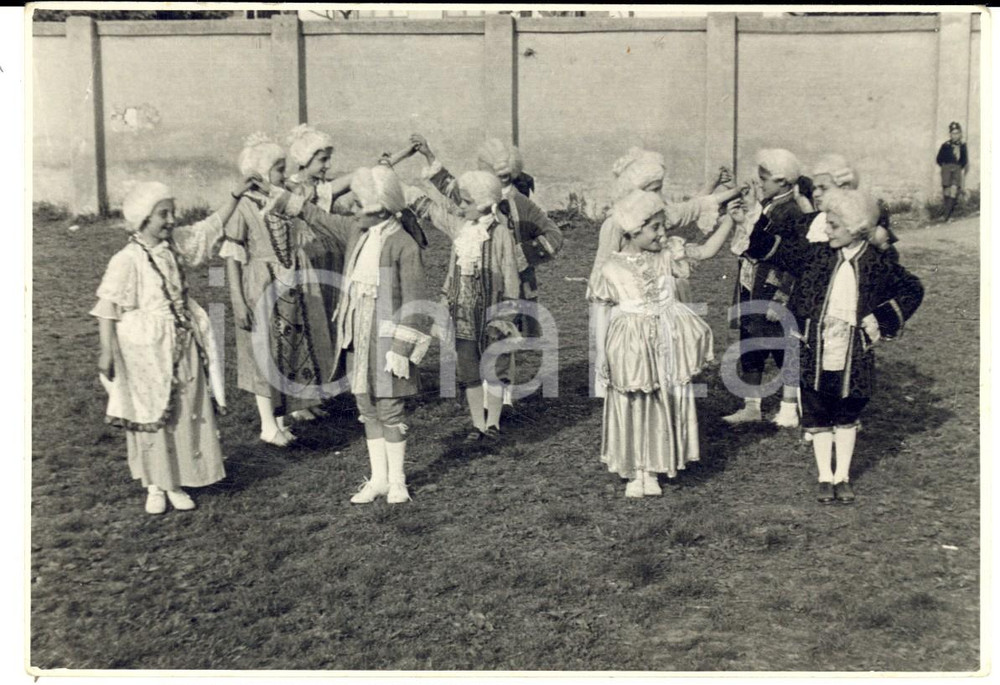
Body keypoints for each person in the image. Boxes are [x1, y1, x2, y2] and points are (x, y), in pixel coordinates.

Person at [258, 164, 433, 504]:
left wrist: (401, 349)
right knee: (366, 407)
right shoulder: (358, 232)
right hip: (356, 337)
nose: (353, 210)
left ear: (380, 209)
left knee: (390, 408)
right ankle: (378, 479)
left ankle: (397, 480)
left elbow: (415, 303)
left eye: (359, 205)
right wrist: (277, 195)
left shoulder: (404, 245)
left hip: (387, 343)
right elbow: (317, 216)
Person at [743, 189, 923, 504]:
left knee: (847, 409)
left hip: (854, 351)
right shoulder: (815, 254)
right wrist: (753, 215)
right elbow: (767, 247)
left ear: (856, 227)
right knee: (817, 410)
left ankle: (843, 476)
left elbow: (913, 289)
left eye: (833, 225)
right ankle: (825, 476)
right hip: (814, 347)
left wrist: (879, 319)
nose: (826, 230)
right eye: (826, 222)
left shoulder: (876, 263)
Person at [93, 177, 255, 514]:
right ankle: (156, 484)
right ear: (143, 218)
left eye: (172, 212)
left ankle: (177, 478)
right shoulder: (127, 259)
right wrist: (107, 351)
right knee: (151, 412)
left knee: (184, 408)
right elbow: (108, 307)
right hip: (145, 350)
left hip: (183, 343)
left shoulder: (175, 244)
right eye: (163, 214)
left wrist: (234, 195)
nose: (171, 220)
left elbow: (208, 229)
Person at [589, 190, 714, 498]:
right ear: (634, 230)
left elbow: (706, 252)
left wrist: (729, 221)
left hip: (664, 341)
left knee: (661, 399)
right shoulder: (611, 268)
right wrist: (602, 356)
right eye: (655, 227)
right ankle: (637, 470)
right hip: (629, 343)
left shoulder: (666, 257)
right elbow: (602, 313)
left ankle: (655, 467)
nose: (662, 234)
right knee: (634, 399)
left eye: (663, 226)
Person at [222, 134, 337, 447]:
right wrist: (238, 300)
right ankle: (267, 424)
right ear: (259, 172)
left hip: (290, 281)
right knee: (264, 353)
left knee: (289, 347)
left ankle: (287, 414)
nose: (283, 175)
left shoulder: (282, 199)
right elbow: (232, 255)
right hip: (261, 283)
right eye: (278, 169)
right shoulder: (245, 206)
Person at [408, 135, 564, 342]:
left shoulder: (520, 203)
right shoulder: (477, 193)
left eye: (504, 176)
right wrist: (428, 155)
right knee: (474, 332)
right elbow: (451, 188)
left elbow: (554, 235)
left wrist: (519, 255)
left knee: (505, 337)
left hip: (512, 284)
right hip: (478, 278)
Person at [409, 169, 524, 443]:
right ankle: (478, 424)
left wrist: (505, 316)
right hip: (462, 313)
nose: (461, 207)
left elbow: (510, 275)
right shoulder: (463, 233)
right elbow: (453, 273)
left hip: (492, 313)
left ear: (484, 203)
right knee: (469, 371)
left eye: (466, 202)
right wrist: (443, 306)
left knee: (494, 368)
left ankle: (493, 423)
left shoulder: (500, 234)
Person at [587, 147, 740, 303]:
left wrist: (727, 189)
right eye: (654, 190)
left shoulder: (658, 215)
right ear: (634, 192)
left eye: (660, 188)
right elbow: (601, 273)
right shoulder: (615, 224)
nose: (659, 195)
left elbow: (690, 209)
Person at [723, 148, 806, 428]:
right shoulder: (769, 205)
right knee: (751, 343)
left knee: (783, 347)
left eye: (764, 179)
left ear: (783, 181)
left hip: (771, 292)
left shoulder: (791, 212)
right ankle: (752, 406)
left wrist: (782, 295)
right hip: (753, 286)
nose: (760, 184)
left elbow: (794, 260)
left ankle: (792, 407)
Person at [284, 124, 346, 417]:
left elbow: (356, 179)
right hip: (302, 261)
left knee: (322, 325)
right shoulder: (290, 188)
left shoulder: (320, 189)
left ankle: (314, 395)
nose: (327, 165)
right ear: (304, 159)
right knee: (304, 325)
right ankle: (298, 401)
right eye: (322, 159)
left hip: (325, 260)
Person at [936, 121, 969, 222]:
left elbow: (964, 160)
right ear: (950, 134)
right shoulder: (945, 145)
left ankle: (946, 216)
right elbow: (938, 159)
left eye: (957, 133)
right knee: (947, 191)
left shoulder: (963, 146)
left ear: (960, 134)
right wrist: (945, 167)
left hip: (957, 169)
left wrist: (958, 167)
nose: (955, 135)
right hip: (946, 168)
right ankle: (947, 215)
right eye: (953, 133)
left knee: (954, 191)